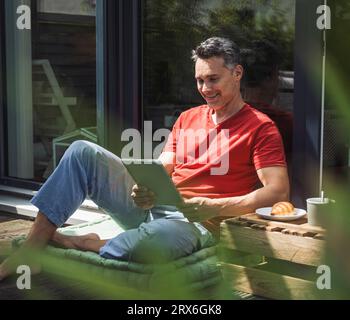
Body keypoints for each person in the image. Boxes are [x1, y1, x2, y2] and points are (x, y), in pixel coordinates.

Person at [0, 37, 289, 280]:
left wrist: (216, 206)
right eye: (200, 80)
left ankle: (86, 243)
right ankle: (33, 247)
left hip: (197, 223)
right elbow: (165, 163)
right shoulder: (188, 117)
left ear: (237, 73)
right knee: (81, 151)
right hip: (155, 207)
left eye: (213, 79)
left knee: (159, 242)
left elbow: (277, 191)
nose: (205, 88)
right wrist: (144, 186)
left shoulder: (260, 127)